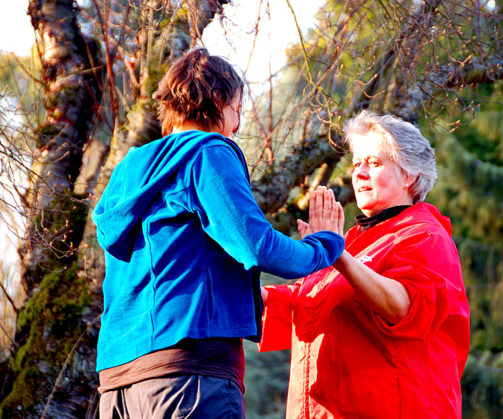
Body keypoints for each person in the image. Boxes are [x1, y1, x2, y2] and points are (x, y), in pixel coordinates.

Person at [92, 48, 344, 419]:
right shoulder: (208, 152)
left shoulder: (128, 169)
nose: (236, 126)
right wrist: (323, 247)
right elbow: (256, 245)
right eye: (238, 111)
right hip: (188, 375)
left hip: (117, 383)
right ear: (218, 99)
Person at [259, 110, 470, 418]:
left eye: (374, 163)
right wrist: (248, 288)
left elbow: (402, 306)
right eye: (357, 163)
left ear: (410, 175)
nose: (358, 174)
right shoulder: (352, 242)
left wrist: (336, 254)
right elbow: (308, 306)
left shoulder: (426, 235)